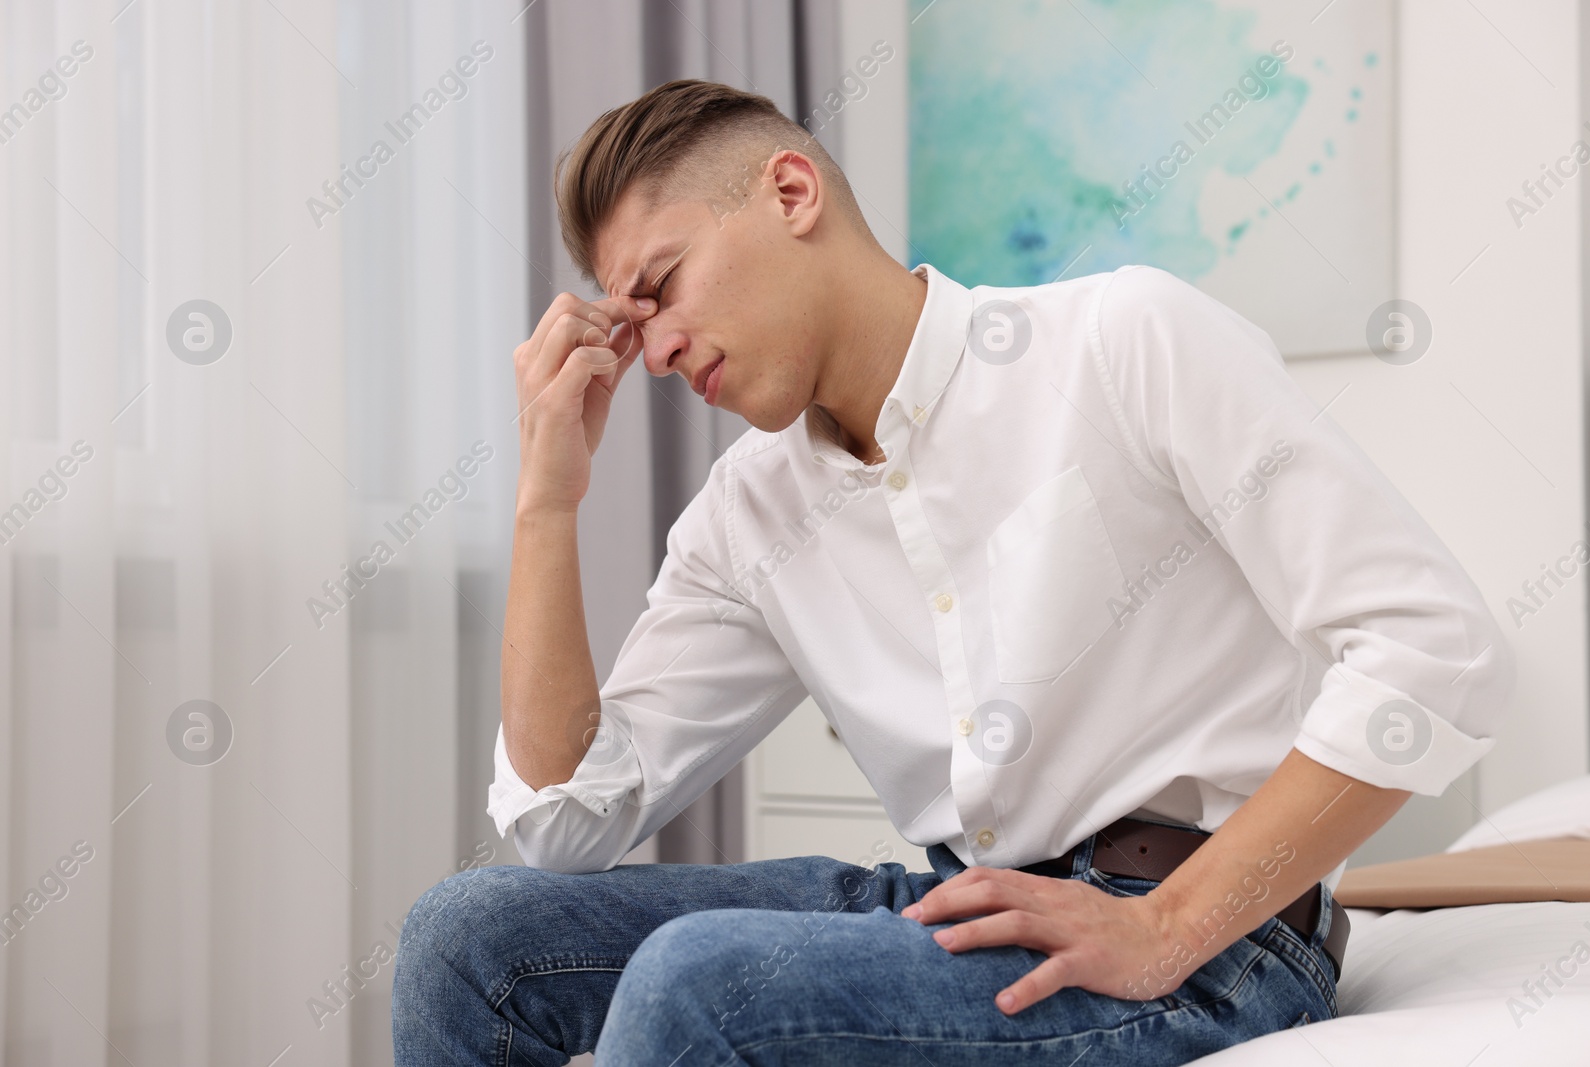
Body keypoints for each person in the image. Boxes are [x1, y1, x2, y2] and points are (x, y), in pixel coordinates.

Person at [391, 78, 1515, 1065]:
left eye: (664, 283)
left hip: (1217, 943)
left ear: (791, 195)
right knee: (470, 937)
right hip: (965, 903)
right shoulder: (748, 514)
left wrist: (1167, 924)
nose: (660, 347)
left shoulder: (1121, 341)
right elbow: (565, 824)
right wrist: (547, 494)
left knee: (699, 980)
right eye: (631, 318)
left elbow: (1433, 650)